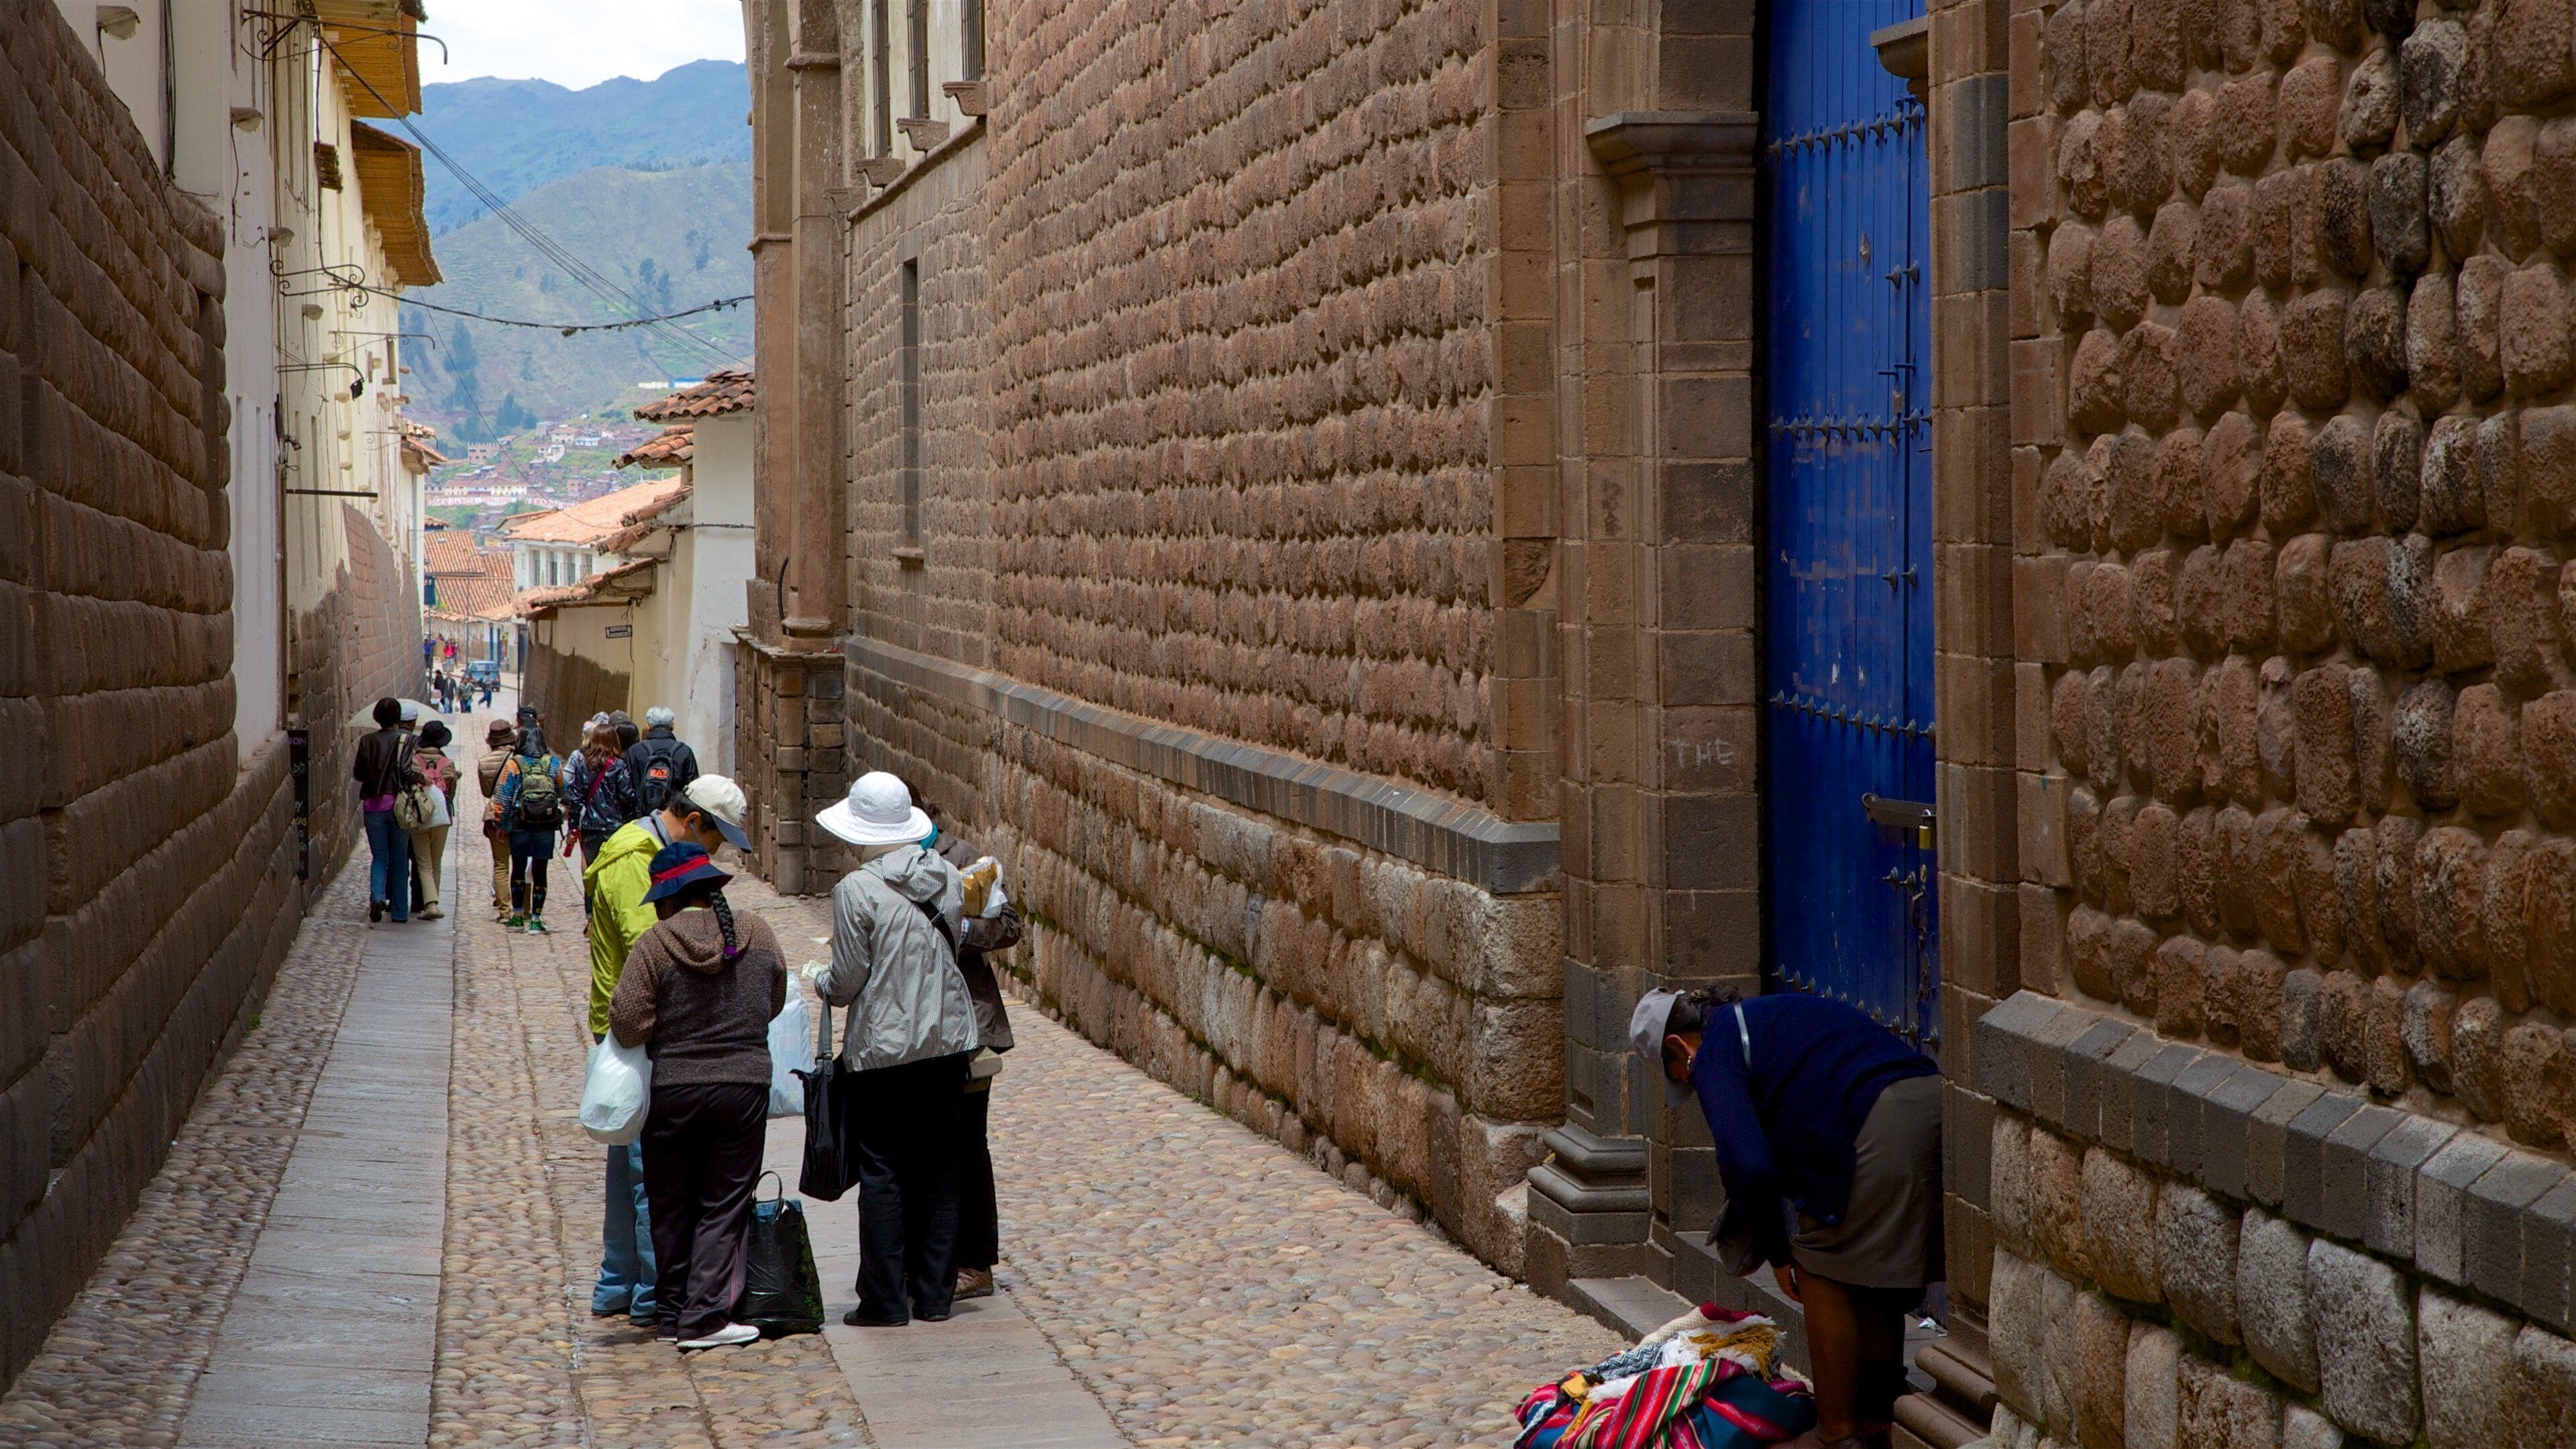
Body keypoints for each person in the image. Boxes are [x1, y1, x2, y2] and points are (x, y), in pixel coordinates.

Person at [1635, 987, 1943, 1449]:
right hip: (1931, 1107)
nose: (1691, 1084)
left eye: (1681, 1076)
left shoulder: (1714, 1052)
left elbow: (1747, 1164)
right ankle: (1881, 1410)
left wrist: (1779, 1253)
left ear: (1679, 1047)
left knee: (1820, 1260)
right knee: (1871, 1260)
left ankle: (1836, 1432)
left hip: (1876, 1124)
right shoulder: (1761, 1017)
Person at [583, 774, 755, 1331]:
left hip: (647, 1038)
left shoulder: (641, 848)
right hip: (652, 1040)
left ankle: (621, 1283)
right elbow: (653, 961)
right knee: (651, 1178)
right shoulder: (639, 859)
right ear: (696, 822)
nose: (719, 854)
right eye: (718, 840)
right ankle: (661, 1295)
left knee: (629, 1161)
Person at [812, 772, 978, 1327]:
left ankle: (884, 1300)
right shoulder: (948, 880)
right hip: (948, 1041)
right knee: (939, 1166)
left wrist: (820, 981)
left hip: (884, 1050)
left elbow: (849, 979)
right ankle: (935, 1296)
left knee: (882, 1170)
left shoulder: (855, 891)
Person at [608, 841, 785, 1350]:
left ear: (668, 898)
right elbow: (772, 1001)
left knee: (670, 1203)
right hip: (743, 1087)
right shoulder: (758, 933)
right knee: (722, 1202)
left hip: (675, 1090)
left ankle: (676, 1314)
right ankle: (705, 1314)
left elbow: (626, 1025)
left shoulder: (654, 945)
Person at [916, 797, 1023, 1301]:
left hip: (971, 1021)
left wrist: (962, 930)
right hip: (917, 1022)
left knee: (966, 1142)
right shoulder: (886, 858)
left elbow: (1009, 926)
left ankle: (975, 1260)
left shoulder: (969, 861)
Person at [351, 698, 419, 924]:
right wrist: (423, 779)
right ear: (398, 718)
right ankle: (399, 912)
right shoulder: (406, 740)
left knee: (379, 858)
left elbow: (358, 774)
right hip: (398, 806)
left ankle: (378, 896)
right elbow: (407, 770)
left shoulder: (366, 741)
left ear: (376, 717)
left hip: (372, 807)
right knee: (399, 859)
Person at [496, 721, 565, 932]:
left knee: (518, 868)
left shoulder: (513, 764)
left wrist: (501, 824)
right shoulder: (553, 764)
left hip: (520, 823)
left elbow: (504, 798)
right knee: (540, 871)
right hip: (545, 824)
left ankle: (517, 917)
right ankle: (536, 919)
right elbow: (561, 791)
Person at [563, 720, 638, 909]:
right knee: (613, 871)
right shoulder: (619, 766)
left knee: (591, 871)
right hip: (614, 827)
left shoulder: (583, 764)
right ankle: (609, 910)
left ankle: (590, 913)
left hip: (590, 828)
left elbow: (576, 798)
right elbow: (628, 797)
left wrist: (573, 826)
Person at [405, 719, 459, 921]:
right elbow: (451, 794)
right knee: (436, 862)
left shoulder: (413, 761)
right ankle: (434, 902)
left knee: (423, 862)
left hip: (420, 815)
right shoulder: (448, 764)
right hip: (442, 817)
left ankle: (430, 904)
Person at [623, 706, 700, 820]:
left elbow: (627, 789)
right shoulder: (684, 751)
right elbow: (693, 789)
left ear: (648, 726)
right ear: (673, 726)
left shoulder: (635, 751)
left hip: (642, 821)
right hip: (674, 821)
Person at [477, 718, 517, 918]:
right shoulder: (519, 759)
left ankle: (505, 910)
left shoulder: (484, 762)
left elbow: (487, 792)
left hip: (495, 814)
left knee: (501, 864)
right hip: (518, 816)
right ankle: (523, 909)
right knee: (520, 862)